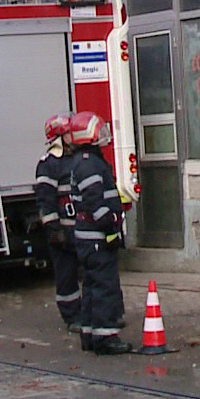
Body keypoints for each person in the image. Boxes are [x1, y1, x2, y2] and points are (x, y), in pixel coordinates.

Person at [67, 110, 132, 355]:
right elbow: (95, 203)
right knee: (104, 287)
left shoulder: (84, 162)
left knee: (92, 287)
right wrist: (111, 226)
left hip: (88, 238)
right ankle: (105, 338)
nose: (103, 135)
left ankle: (89, 333)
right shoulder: (90, 165)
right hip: (96, 238)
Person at [34, 113, 80, 332]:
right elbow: (45, 199)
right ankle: (71, 317)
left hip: (81, 229)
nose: (74, 136)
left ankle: (91, 313)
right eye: (69, 132)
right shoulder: (49, 164)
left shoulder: (78, 158)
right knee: (66, 276)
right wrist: (53, 229)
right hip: (61, 232)